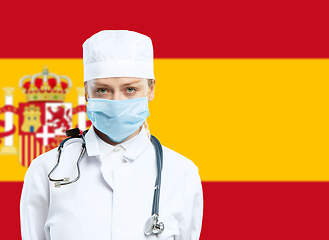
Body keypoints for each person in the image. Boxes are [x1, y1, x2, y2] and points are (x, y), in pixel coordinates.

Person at [20, 30, 203, 240]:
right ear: (87, 92)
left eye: (130, 89)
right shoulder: (46, 170)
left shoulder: (182, 173)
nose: (117, 102)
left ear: (151, 89)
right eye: (103, 90)